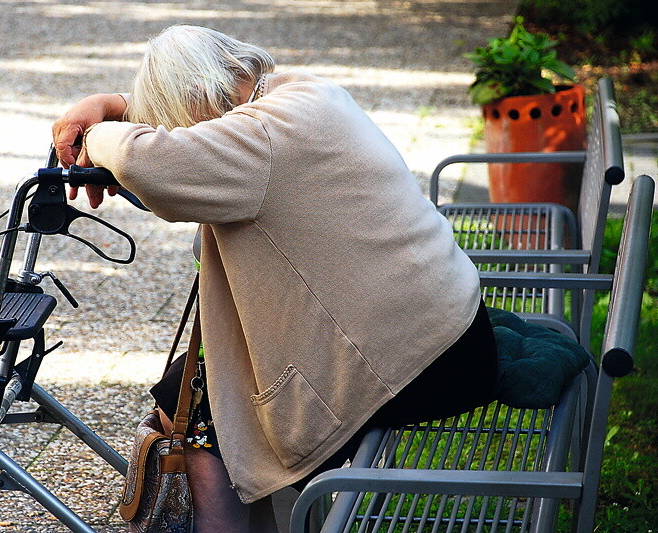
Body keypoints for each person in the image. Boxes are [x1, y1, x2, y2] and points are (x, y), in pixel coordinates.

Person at [52, 24, 498, 533]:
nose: (183, 133)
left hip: (418, 362)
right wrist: (120, 102)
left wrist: (95, 133)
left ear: (201, 93)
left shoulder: (258, 138)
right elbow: (187, 142)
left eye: (176, 119)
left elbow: (143, 159)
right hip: (442, 327)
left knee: (204, 410)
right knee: (197, 382)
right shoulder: (300, 92)